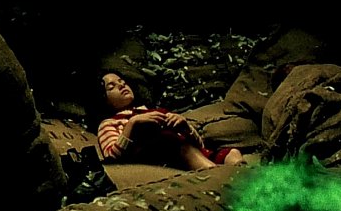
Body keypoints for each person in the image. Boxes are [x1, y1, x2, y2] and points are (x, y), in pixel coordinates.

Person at [96, 72, 246, 170]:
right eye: (112, 86)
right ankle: (219, 176)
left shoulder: (155, 111)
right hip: (167, 154)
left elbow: (200, 145)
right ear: (104, 100)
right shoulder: (109, 123)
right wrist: (132, 124)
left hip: (193, 150)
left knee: (232, 153)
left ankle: (240, 173)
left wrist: (185, 126)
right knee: (180, 147)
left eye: (122, 81)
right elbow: (112, 157)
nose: (121, 85)